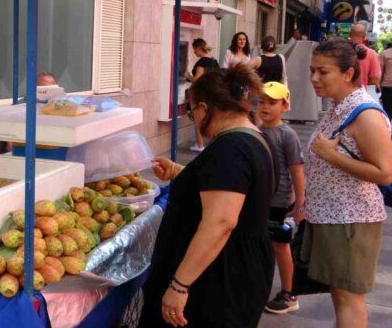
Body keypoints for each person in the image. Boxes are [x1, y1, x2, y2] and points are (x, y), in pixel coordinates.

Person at [138, 65, 275, 328]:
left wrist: (179, 285)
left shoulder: (230, 149)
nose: (193, 118)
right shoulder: (253, 138)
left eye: (191, 111)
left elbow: (221, 223)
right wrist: (182, 172)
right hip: (240, 268)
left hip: (218, 280)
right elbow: (230, 188)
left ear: (204, 107)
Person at [305, 39, 392, 328]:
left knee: (349, 301)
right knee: (340, 295)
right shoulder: (338, 106)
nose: (315, 78)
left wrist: (331, 156)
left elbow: (384, 173)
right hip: (332, 217)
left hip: (351, 220)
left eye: (323, 71)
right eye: (312, 70)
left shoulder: (365, 113)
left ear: (348, 74)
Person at [258, 82, 306, 315]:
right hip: (259, 201)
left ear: (285, 105)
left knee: (281, 246)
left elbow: (297, 170)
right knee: (260, 244)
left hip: (279, 204)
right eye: (262, 101)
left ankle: (289, 294)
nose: (265, 106)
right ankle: (258, 287)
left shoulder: (287, 135)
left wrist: (299, 204)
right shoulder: (256, 129)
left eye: (272, 102)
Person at [184, 38, 219, 152]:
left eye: (194, 49)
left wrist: (188, 76)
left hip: (201, 94)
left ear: (199, 48)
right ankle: (213, 144)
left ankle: (200, 146)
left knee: (199, 121)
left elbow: (197, 79)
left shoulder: (202, 62)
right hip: (212, 94)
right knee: (211, 120)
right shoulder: (214, 61)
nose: (194, 52)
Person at [349, 23, 382, 91]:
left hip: (339, 95)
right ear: (365, 36)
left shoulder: (340, 50)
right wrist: (363, 81)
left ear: (350, 34)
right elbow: (375, 79)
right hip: (360, 93)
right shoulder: (371, 53)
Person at [378, 42, 392, 116]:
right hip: (387, 88)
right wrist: (378, 85)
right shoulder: (385, 54)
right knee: (387, 112)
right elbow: (380, 71)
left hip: (387, 87)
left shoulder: (384, 54)